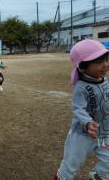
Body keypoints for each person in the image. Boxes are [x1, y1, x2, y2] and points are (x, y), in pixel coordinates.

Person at [53, 39, 109, 180]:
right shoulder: (81, 86)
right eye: (98, 62)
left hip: (104, 133)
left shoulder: (104, 80)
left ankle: (98, 175)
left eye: (106, 59)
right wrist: (87, 122)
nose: (105, 65)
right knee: (70, 166)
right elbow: (78, 109)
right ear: (83, 66)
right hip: (82, 135)